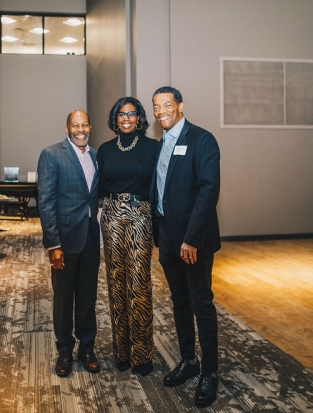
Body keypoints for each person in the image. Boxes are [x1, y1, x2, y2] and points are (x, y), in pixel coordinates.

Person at [150, 86, 221, 408]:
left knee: (201, 302)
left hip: (193, 241)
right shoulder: (162, 143)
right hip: (167, 237)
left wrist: (191, 238)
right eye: (156, 106)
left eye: (167, 104)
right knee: (179, 302)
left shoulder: (202, 139)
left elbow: (208, 190)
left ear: (180, 106)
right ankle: (189, 360)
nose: (161, 111)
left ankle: (210, 372)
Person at [97, 97, 160, 376]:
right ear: (115, 118)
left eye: (131, 114)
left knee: (139, 283)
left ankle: (142, 355)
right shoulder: (105, 149)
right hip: (111, 214)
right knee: (115, 282)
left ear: (139, 118)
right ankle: (122, 351)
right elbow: (100, 185)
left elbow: (159, 184)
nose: (126, 118)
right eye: (121, 114)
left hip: (140, 214)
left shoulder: (152, 147)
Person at [37, 110, 101, 377]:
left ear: (90, 127)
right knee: (63, 299)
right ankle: (64, 351)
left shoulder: (97, 156)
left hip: (91, 239)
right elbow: (46, 202)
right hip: (64, 241)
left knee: (87, 298)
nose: (80, 129)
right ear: (67, 129)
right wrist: (53, 245)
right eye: (75, 125)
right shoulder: (52, 155)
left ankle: (87, 349)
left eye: (85, 125)